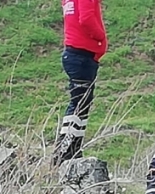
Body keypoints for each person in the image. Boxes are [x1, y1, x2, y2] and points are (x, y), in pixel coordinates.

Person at [54, 0, 108, 164]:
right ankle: (65, 149)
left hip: (76, 54)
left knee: (81, 103)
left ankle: (72, 147)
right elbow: (86, 18)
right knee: (79, 104)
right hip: (82, 54)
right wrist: (101, 37)